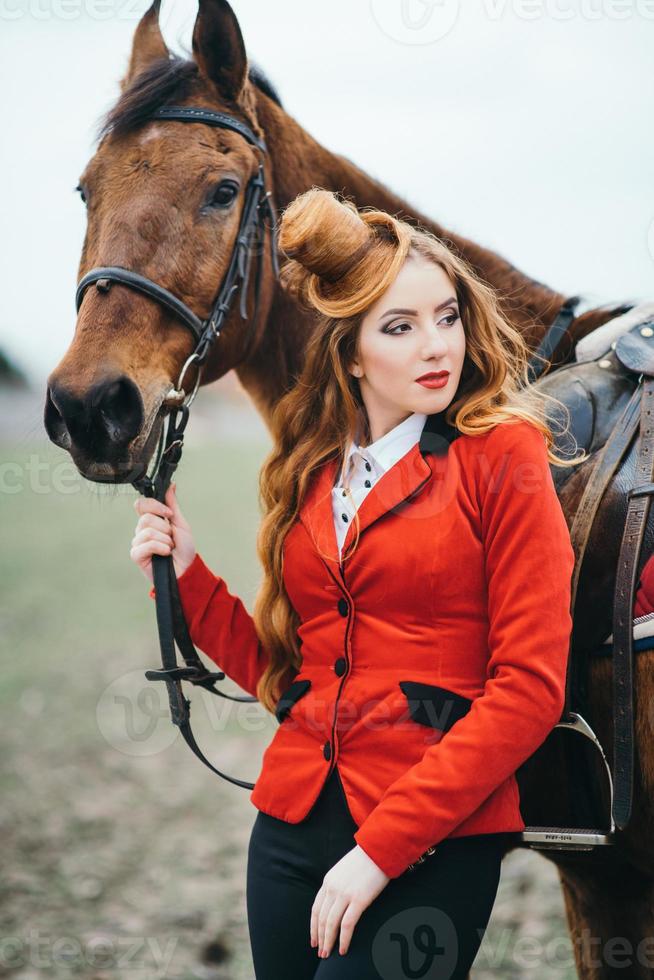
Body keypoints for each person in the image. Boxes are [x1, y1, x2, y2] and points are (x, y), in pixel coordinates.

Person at [130, 188, 586, 979]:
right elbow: (295, 681)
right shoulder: (313, 470)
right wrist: (188, 578)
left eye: (447, 316)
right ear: (349, 351)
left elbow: (528, 690)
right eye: (400, 328)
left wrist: (380, 850)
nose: (436, 346)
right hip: (291, 833)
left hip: (435, 840)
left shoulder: (504, 458)